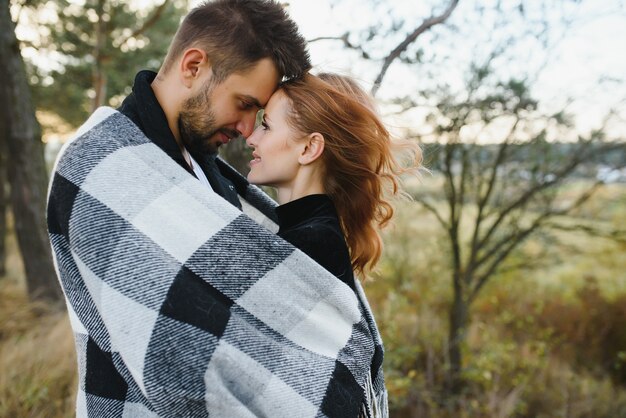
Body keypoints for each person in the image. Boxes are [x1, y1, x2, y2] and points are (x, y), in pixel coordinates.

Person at [48, 0, 392, 416]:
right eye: (246, 104)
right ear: (193, 66)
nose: (247, 130)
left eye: (261, 116)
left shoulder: (215, 175)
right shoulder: (101, 162)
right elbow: (170, 348)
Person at [245, 72, 421, 416]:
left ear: (310, 148)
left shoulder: (310, 244)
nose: (251, 137)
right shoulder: (315, 233)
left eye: (266, 126)